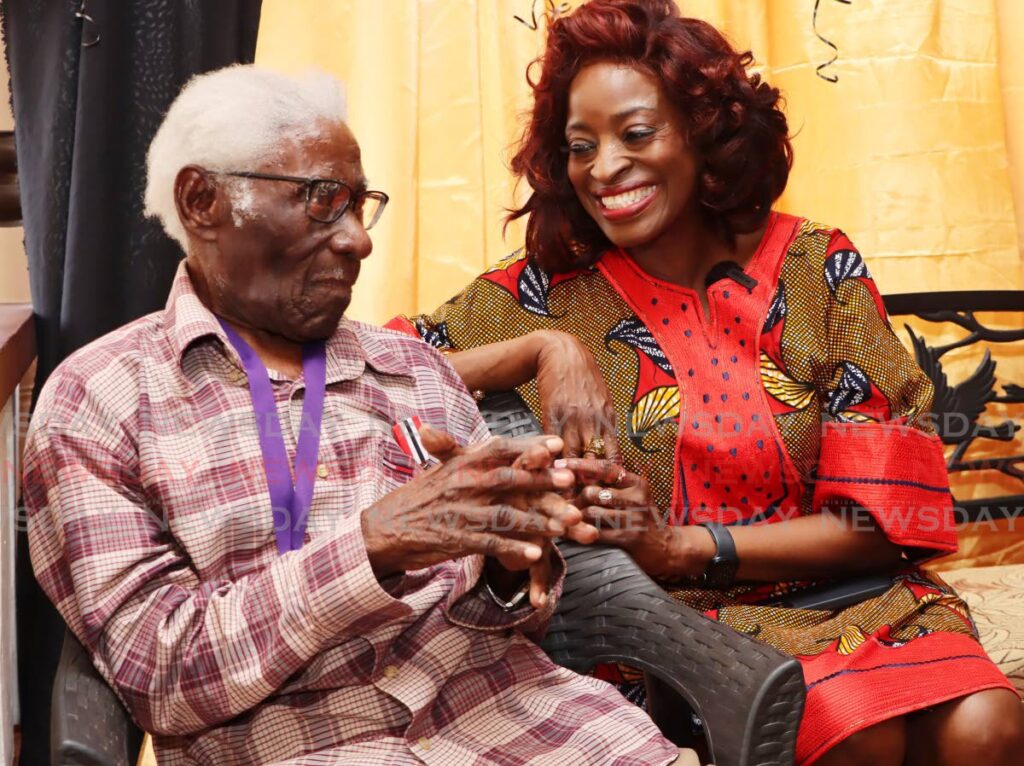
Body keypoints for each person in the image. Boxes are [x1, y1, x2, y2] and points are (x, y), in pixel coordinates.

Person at [388, 1, 1024, 764]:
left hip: (868, 598)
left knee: (989, 729)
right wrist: (540, 348)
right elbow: (369, 372)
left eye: (635, 133)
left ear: (702, 133)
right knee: (863, 736)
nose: (603, 168)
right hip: (685, 630)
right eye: (580, 146)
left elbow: (885, 524)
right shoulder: (545, 294)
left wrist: (682, 545)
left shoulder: (816, 267)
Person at [22, 65, 694, 766]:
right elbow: (162, 677)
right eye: (321, 201)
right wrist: (372, 544)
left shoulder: (414, 370)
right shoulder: (97, 404)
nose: (359, 240)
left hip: (540, 729)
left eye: (359, 205)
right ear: (203, 201)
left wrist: (508, 558)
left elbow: (516, 620)